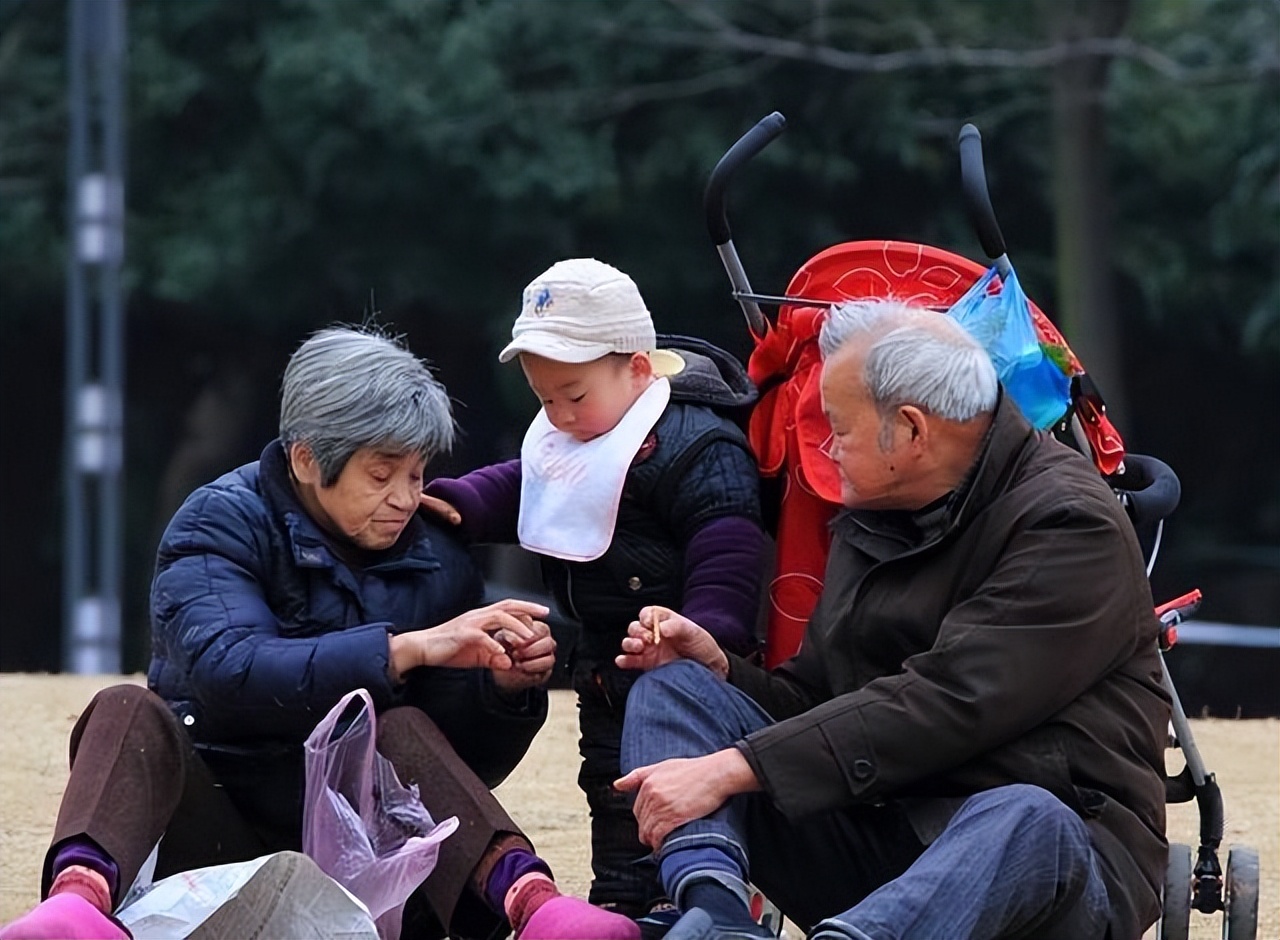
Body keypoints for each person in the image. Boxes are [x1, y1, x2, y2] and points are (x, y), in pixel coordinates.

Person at [1, 326, 638, 940]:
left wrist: (500, 690)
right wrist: (403, 651)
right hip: (213, 837)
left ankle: (535, 908)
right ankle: (77, 906)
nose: (405, 498)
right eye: (381, 473)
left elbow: (461, 765)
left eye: (417, 473)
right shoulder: (218, 525)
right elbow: (231, 674)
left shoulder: (437, 553)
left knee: (401, 727)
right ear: (308, 459)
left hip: (374, 858)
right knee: (125, 710)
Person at [612, 299, 1171, 940]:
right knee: (676, 687)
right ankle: (718, 916)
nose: (826, 447)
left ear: (910, 431)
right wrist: (724, 673)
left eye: (840, 430)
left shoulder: (1070, 523)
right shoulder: (878, 509)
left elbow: (951, 701)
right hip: (887, 839)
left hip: (1047, 868)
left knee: (1026, 815)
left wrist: (734, 767)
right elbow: (816, 701)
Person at [420, 258, 766, 928]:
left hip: (683, 661)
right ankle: (619, 895)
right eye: (544, 399)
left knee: (674, 776)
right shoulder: (573, 430)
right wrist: (459, 502)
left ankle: (692, 892)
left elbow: (728, 542)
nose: (560, 414)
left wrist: (711, 627)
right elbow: (525, 483)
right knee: (609, 782)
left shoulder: (699, 448)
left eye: (574, 396)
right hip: (606, 659)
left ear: (637, 370)